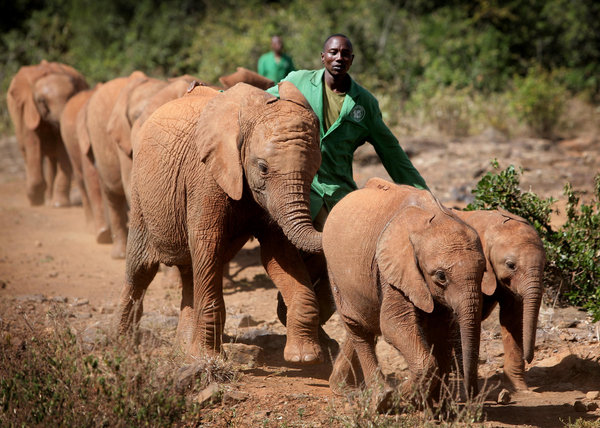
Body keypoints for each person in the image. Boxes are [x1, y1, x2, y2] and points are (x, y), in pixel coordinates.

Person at [266, 34, 428, 230]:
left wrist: (425, 199)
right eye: (333, 52)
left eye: (345, 54)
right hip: (300, 188)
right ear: (323, 56)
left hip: (338, 193)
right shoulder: (298, 82)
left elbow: (393, 154)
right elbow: (262, 103)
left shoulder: (364, 103)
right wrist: (223, 98)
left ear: (352, 59)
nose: (339, 58)